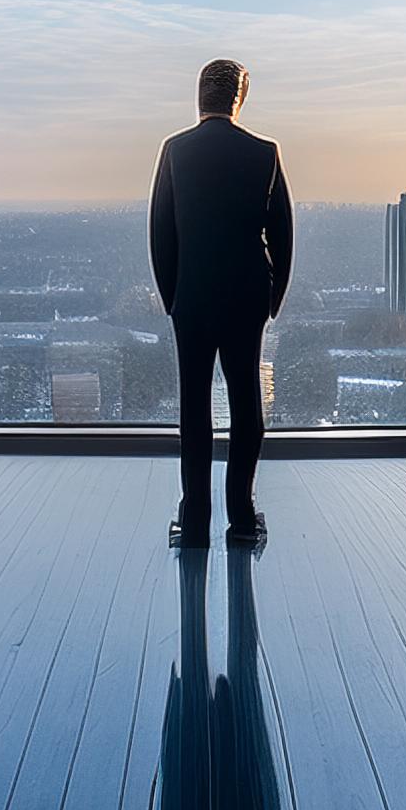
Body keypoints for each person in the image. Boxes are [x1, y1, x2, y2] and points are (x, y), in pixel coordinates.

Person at [148, 59, 294, 548]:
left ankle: (193, 522)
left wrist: (173, 296)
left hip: (191, 296)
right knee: (246, 403)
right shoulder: (264, 153)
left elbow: (161, 234)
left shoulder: (175, 151)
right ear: (240, 97)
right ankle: (243, 516)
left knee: (194, 407)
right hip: (247, 294)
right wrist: (273, 296)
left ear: (200, 96)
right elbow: (282, 233)